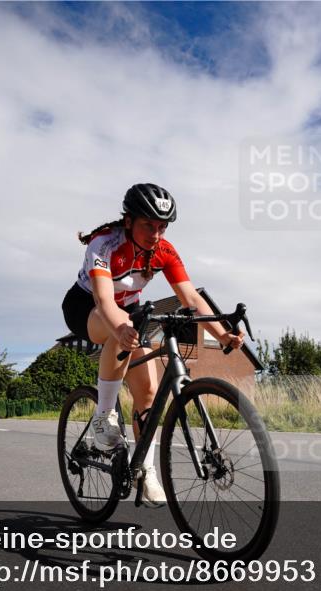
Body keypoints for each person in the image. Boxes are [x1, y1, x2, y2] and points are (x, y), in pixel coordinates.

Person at [62, 183, 244, 507]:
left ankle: (146, 468)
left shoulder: (164, 251)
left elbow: (190, 298)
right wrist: (120, 328)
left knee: (147, 391)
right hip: (86, 306)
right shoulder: (104, 244)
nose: (156, 233)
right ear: (129, 220)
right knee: (121, 330)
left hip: (128, 310)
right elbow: (104, 300)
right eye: (149, 224)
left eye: (162, 227)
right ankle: (104, 415)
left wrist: (223, 334)